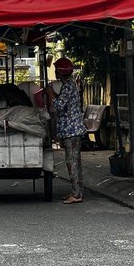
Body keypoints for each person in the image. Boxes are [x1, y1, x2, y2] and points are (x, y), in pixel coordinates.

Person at [46, 57, 86, 204]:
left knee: (72, 162)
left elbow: (58, 106)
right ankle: (77, 191)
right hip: (72, 130)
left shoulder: (68, 86)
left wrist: (50, 93)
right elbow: (63, 101)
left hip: (72, 131)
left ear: (59, 72)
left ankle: (76, 194)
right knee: (75, 161)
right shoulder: (68, 85)